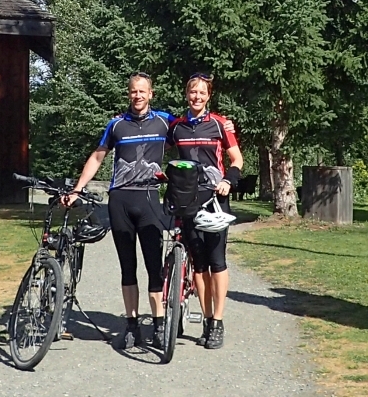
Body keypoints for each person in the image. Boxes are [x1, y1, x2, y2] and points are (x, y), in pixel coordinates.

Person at [63, 72, 171, 349]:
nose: (138, 96)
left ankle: (159, 325)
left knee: (153, 266)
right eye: (134, 91)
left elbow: (194, 130)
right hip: (120, 200)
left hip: (149, 200)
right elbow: (98, 156)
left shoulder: (164, 122)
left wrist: (224, 123)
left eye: (142, 91)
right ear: (129, 94)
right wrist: (76, 189)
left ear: (151, 94)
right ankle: (132, 326)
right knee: (127, 267)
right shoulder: (116, 125)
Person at [167, 72, 244, 350]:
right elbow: (154, 139)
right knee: (198, 264)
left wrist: (228, 181)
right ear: (186, 95)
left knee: (217, 260)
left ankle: (219, 321)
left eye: (202, 92)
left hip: (215, 198)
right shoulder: (176, 127)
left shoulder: (221, 124)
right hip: (188, 200)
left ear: (208, 95)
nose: (196, 97)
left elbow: (237, 159)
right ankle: (208, 320)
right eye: (192, 92)